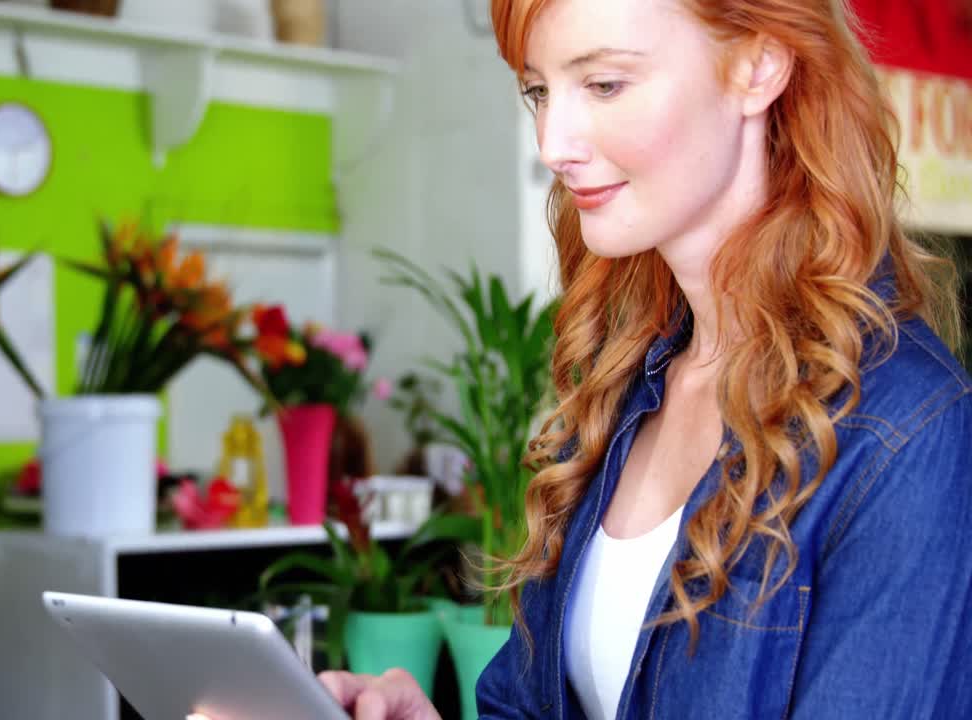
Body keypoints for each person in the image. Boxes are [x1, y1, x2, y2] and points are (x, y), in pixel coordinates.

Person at [316, 0, 972, 718]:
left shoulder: (909, 434)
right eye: (538, 90)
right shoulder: (625, 384)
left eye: (604, 85)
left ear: (759, 65)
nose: (553, 144)